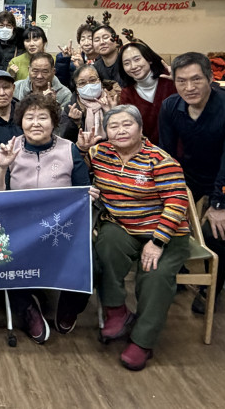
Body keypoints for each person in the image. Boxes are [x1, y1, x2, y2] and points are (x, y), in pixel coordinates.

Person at [88, 105, 190, 371]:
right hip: (122, 226)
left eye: (127, 124)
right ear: (106, 132)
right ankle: (116, 311)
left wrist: (157, 242)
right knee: (105, 247)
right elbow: (80, 169)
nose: (120, 131)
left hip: (165, 233)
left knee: (155, 275)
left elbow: (177, 203)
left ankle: (143, 340)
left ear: (141, 128)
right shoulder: (99, 153)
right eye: (113, 126)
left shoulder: (161, 161)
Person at [0, 92, 92, 345]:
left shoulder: (69, 149)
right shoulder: (11, 147)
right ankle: (27, 309)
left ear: (54, 122)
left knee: (91, 257)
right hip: (19, 226)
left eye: (42, 117)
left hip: (61, 226)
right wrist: (2, 165)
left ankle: (69, 306)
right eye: (29, 117)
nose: (36, 123)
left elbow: (83, 192)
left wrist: (90, 194)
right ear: (21, 122)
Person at [158, 52, 225, 314]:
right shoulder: (170, 107)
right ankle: (178, 272)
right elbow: (166, 154)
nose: (189, 87)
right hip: (190, 173)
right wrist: (169, 191)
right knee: (169, 219)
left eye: (196, 79)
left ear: (210, 78)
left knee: (214, 232)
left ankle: (211, 290)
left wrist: (219, 203)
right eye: (182, 81)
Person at [117, 40, 176, 145]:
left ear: (149, 59)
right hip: (149, 150)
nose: (133, 66)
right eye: (126, 63)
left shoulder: (170, 79)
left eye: (137, 59)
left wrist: (181, 81)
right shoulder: (127, 93)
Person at [59, 65, 116, 144]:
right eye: (82, 83)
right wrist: (74, 123)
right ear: (77, 89)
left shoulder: (114, 100)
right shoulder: (71, 108)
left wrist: (112, 113)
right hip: (84, 149)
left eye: (92, 80)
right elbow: (66, 140)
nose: (89, 86)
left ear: (100, 82)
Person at [55, 22, 98, 87]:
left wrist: (82, 67)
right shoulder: (75, 61)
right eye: (82, 39)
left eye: (90, 39)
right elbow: (63, 84)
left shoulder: (104, 60)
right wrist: (64, 59)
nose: (86, 43)